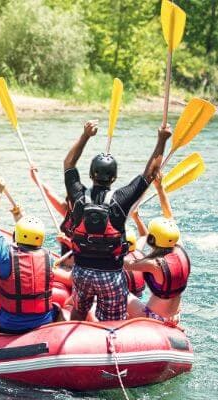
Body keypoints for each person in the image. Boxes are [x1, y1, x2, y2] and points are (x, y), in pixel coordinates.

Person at [61, 119, 171, 321]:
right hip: (110, 275)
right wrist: (162, 140)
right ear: (113, 178)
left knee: (78, 310)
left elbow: (68, 164)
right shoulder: (121, 199)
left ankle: (76, 324)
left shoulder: (78, 196)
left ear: (91, 174)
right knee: (113, 321)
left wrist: (85, 135)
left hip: (82, 272)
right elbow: (150, 173)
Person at [0, 173, 56, 334]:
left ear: (16, 235)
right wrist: (20, 221)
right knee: (57, 309)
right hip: (44, 323)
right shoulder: (49, 257)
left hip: (10, 326)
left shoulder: (6, 255)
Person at [126, 175, 190, 322]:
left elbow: (124, 263)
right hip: (175, 316)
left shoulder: (153, 264)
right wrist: (160, 188)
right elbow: (170, 217)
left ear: (152, 239)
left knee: (123, 293)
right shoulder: (179, 248)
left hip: (153, 316)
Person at [123, 232, 146, 298]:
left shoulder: (114, 261)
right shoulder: (138, 253)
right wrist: (138, 220)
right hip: (140, 297)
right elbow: (144, 235)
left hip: (126, 299)